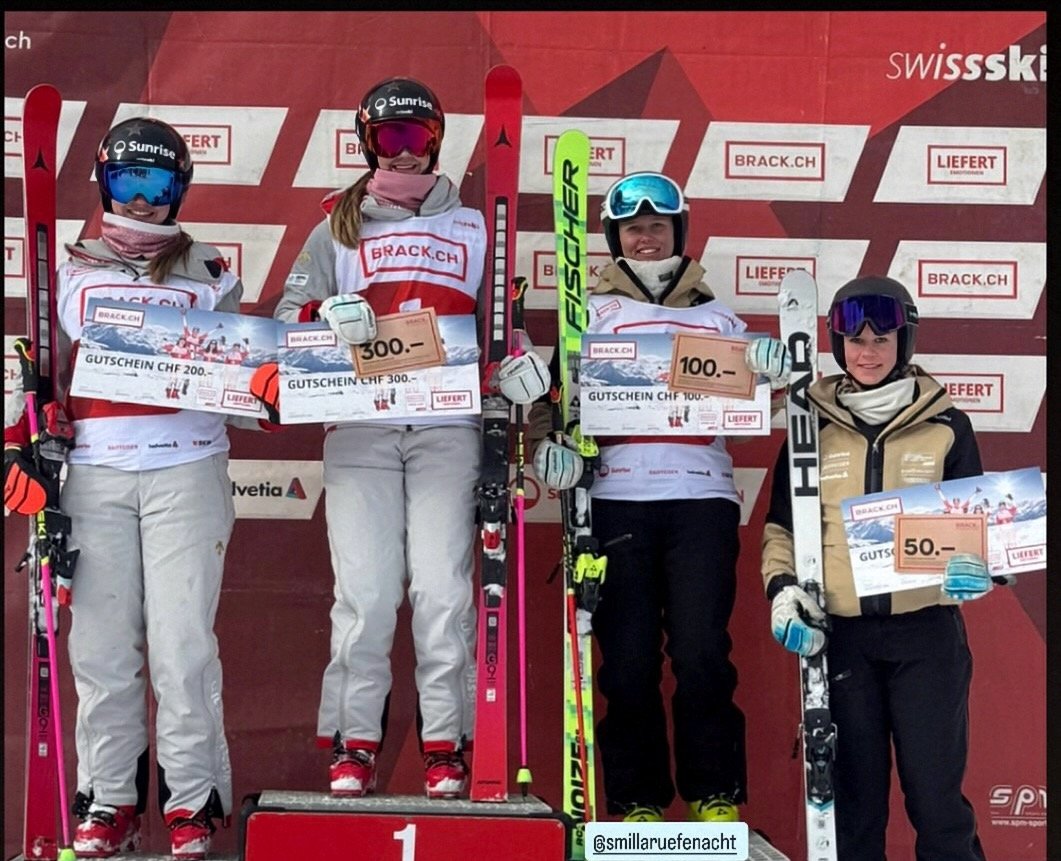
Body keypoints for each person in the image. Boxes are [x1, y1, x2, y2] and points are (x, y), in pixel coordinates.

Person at [258, 76, 543, 800]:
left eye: (417, 137)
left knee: (444, 590)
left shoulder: (477, 227)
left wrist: (519, 364)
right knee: (366, 593)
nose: (404, 152)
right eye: (390, 138)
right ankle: (354, 742)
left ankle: (446, 743)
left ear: (436, 140)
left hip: (448, 423)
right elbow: (288, 319)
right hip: (362, 424)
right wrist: (325, 314)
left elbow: (501, 325)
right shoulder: (338, 226)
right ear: (368, 144)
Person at [3, 117, 252, 859]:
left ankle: (191, 802)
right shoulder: (67, 270)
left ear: (180, 190)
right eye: (127, 182)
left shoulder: (211, 272)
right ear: (105, 184)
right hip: (97, 473)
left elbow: (245, 376)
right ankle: (108, 800)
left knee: (182, 646)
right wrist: (20, 442)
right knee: (103, 651)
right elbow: (36, 374)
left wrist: (270, 382)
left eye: (157, 184)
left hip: (187, 467)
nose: (141, 200)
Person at [513, 171, 789, 823]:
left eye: (657, 227)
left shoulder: (717, 317)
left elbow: (755, 407)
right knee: (628, 657)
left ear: (677, 231)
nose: (645, 238)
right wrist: (547, 449)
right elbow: (550, 402)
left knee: (701, 650)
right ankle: (637, 800)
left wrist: (776, 377)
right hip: (616, 496)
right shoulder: (589, 313)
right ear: (616, 239)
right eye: (633, 228)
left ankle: (713, 792)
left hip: (701, 497)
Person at [761, 275, 998, 860]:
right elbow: (781, 527)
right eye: (855, 341)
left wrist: (982, 567)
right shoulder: (809, 425)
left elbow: (981, 526)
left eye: (882, 340)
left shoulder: (947, 425)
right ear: (838, 345)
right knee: (854, 806)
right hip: (843, 639)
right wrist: (783, 589)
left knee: (937, 802)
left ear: (904, 342)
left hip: (926, 636)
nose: (867, 353)